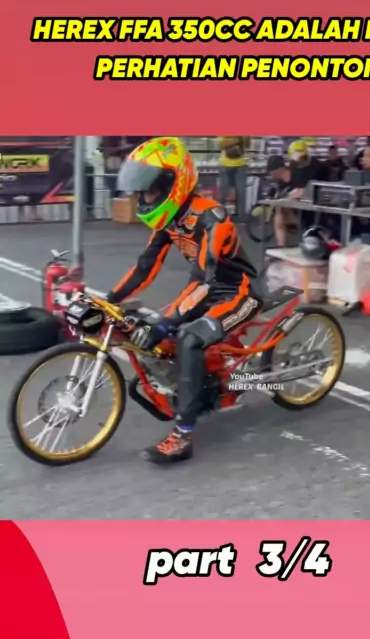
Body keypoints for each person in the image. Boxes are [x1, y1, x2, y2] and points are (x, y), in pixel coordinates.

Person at [106, 137, 262, 464]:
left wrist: (166, 324)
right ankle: (198, 384)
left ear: (173, 183)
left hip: (238, 292)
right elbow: (144, 268)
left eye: (150, 191)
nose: (144, 199)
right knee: (163, 332)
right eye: (142, 192)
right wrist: (109, 300)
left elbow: (206, 281)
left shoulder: (213, 217)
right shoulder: (171, 219)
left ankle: (183, 435)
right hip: (204, 290)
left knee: (188, 338)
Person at [265, 154, 312, 247]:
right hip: (291, 212)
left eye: (271, 171)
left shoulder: (297, 174)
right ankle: (280, 246)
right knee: (279, 213)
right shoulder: (280, 183)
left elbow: (303, 192)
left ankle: (281, 245)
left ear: (278, 170)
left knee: (280, 213)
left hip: (307, 213)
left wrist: (288, 198)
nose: (271, 174)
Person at [217, 136, 250, 220]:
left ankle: (241, 217)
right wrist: (237, 139)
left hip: (240, 165)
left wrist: (241, 138)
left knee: (241, 192)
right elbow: (221, 143)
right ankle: (218, 215)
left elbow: (247, 144)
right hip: (225, 165)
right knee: (223, 192)